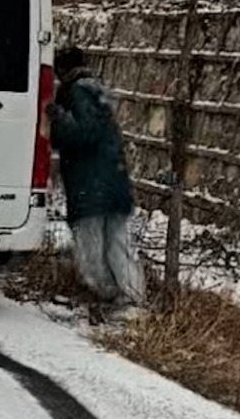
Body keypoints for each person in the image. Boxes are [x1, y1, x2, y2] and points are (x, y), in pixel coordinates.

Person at [48, 46, 145, 315]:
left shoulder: (77, 92)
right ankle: (131, 299)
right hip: (112, 182)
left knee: (91, 253)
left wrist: (57, 117)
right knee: (117, 246)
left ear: (63, 70)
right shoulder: (96, 91)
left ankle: (112, 297)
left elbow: (84, 132)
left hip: (90, 188)